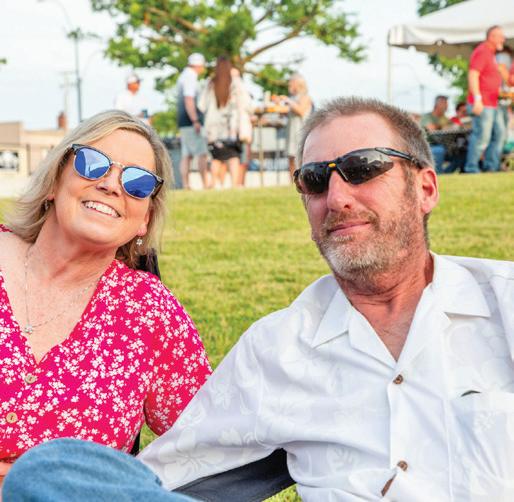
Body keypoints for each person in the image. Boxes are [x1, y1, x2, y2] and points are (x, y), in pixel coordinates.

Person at [5, 97, 514, 501]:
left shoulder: (502, 303)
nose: (337, 197)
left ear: (426, 188)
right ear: (54, 177)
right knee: (49, 471)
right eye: (315, 179)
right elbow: (164, 474)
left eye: (363, 168)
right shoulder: (279, 349)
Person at [0, 110, 211, 489]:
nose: (112, 185)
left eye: (138, 183)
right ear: (54, 181)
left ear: (145, 218)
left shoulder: (150, 312)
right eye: (92, 163)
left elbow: (210, 445)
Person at [198, 57, 252, 188]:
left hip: (213, 128)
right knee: (233, 157)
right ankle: (234, 184)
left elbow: (201, 105)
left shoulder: (210, 83)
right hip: (232, 127)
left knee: (216, 157)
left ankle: (213, 185)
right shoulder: (235, 82)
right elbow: (246, 103)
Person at [464, 25, 506, 173]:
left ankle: (491, 167)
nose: (503, 39)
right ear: (491, 37)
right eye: (500, 36)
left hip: (493, 103)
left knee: (499, 134)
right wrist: (477, 99)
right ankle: (471, 168)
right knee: (482, 136)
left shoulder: (491, 54)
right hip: (483, 103)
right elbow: (473, 75)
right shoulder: (482, 51)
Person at [176, 53, 210, 190]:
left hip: (183, 121)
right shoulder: (190, 77)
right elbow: (189, 99)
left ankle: (186, 184)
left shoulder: (183, 76)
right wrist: (195, 120)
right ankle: (205, 184)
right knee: (202, 153)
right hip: (191, 121)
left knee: (187, 154)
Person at [275, 74, 313, 179]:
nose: (289, 85)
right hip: (291, 132)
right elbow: (286, 113)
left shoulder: (305, 97)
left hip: (300, 132)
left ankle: (302, 181)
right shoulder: (293, 98)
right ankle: (292, 182)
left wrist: (288, 101)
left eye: (291, 83)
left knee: (300, 157)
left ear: (298, 84)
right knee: (291, 157)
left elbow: (301, 111)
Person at [420, 95, 451, 173]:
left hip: (443, 144)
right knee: (439, 150)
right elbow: (432, 129)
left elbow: (450, 127)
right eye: (445, 103)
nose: (447, 106)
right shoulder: (427, 116)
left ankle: (446, 173)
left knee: (459, 151)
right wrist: (442, 126)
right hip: (427, 145)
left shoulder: (444, 118)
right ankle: (438, 173)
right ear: (438, 104)